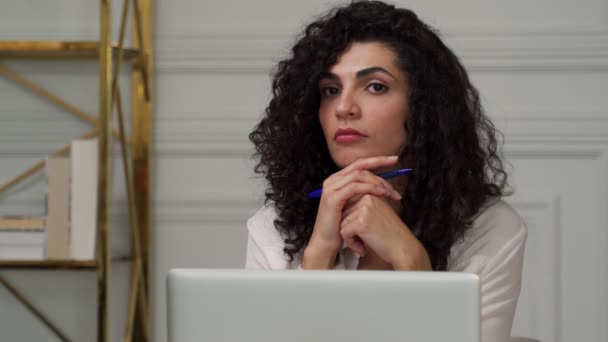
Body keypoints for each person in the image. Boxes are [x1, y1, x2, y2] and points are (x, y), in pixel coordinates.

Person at [246, 1, 527, 341]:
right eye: (330, 90)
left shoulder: (489, 229)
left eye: (375, 86)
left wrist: (411, 260)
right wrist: (318, 255)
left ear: (423, 107)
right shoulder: (273, 226)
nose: (344, 108)